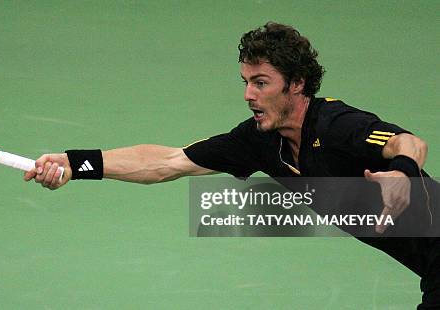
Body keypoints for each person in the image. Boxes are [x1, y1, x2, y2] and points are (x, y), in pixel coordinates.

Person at [23, 22, 438, 308]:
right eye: (245, 82)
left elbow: (409, 141)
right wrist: (78, 164)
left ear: (295, 84)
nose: (248, 95)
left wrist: (401, 173)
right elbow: (167, 162)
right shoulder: (258, 141)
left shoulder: (336, 124)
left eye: (261, 83)